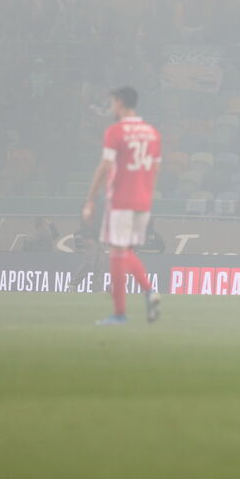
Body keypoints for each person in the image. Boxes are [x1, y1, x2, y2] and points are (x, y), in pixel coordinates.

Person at [83, 86, 162, 325]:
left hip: (121, 200)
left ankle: (122, 311)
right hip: (143, 201)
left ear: (119, 103)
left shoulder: (116, 131)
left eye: (112, 102)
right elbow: (155, 169)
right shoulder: (152, 133)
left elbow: (106, 165)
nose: (111, 107)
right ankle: (146, 294)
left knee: (117, 252)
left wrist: (90, 199)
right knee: (126, 251)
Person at [66, 219, 104, 292]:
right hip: (91, 239)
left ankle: (97, 288)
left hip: (100, 239)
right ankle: (73, 284)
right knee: (88, 263)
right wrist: (87, 237)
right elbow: (84, 222)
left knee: (100, 264)